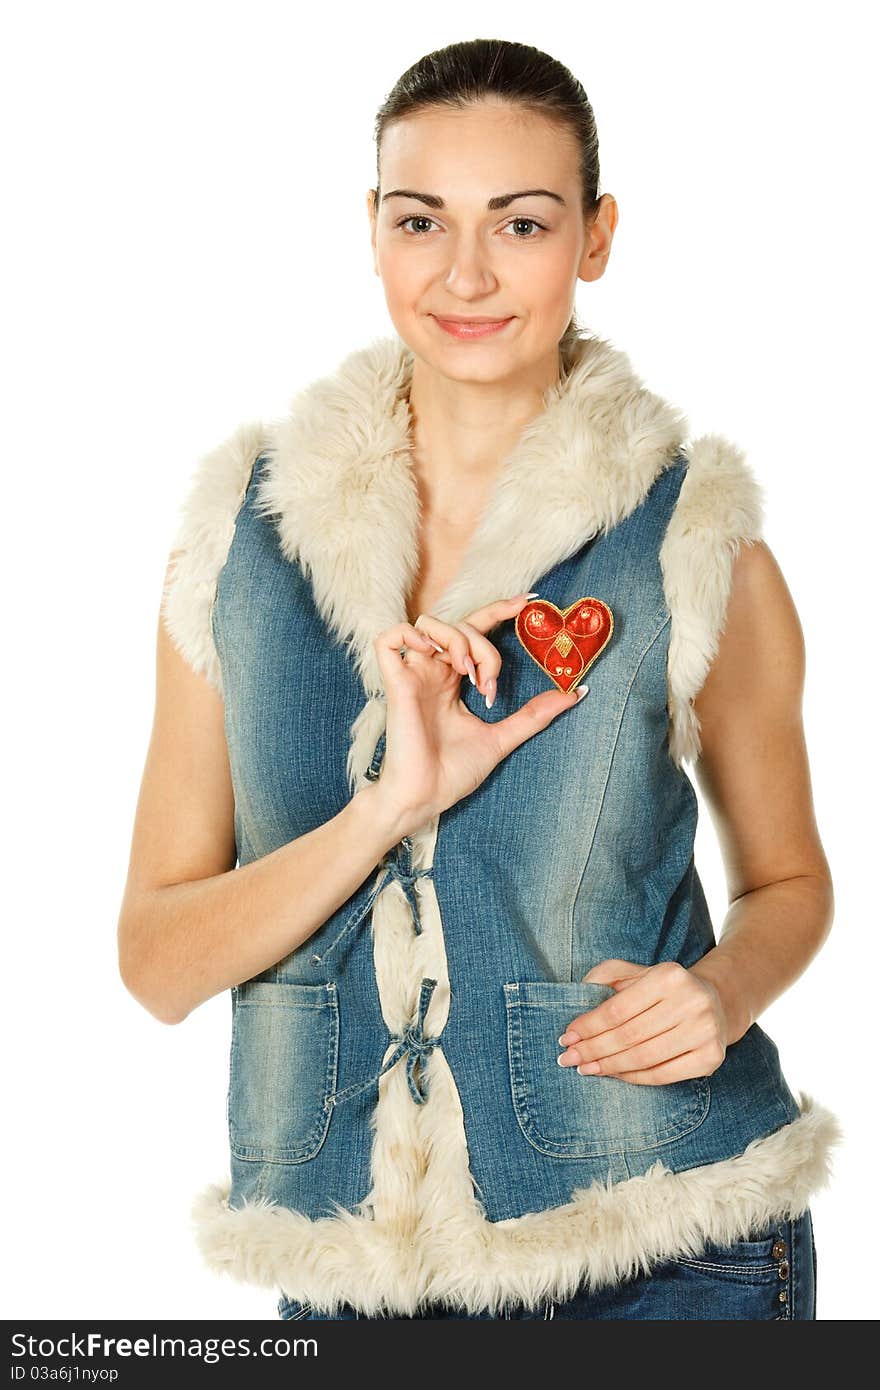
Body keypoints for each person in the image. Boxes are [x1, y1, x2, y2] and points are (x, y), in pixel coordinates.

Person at [118, 38, 841, 1321]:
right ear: (374, 231)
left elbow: (787, 880)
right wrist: (385, 807)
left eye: (520, 222)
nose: (464, 274)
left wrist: (721, 991)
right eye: (421, 221)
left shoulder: (692, 540)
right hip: (354, 1275)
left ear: (594, 236)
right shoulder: (237, 542)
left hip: (669, 1247)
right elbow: (159, 962)